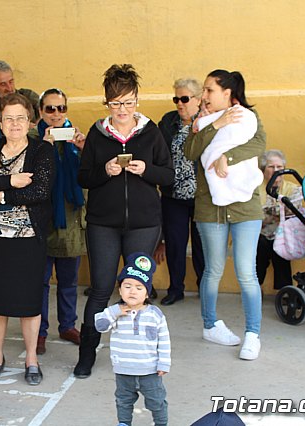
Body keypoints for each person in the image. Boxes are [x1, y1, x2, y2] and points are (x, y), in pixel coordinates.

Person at [74, 64, 174, 379]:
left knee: (136, 289)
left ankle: (138, 355)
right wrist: (105, 171)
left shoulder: (152, 131)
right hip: (103, 223)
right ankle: (87, 354)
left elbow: (168, 175)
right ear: (107, 103)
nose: (122, 109)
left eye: (128, 102)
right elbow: (83, 177)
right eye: (116, 103)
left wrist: (147, 170)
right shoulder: (97, 133)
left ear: (137, 101)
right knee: (102, 289)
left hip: (144, 224)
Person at [0, 93, 54, 386]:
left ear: (30, 121)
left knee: (29, 301)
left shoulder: (42, 150)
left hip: (28, 237)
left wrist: (0, 195)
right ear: (0, 122)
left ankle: (31, 358)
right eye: (8, 118)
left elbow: (40, 191)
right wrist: (11, 181)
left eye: (20, 118)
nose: (14, 124)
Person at [184, 69, 265, 361]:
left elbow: (258, 144)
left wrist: (226, 157)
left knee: (246, 272)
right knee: (213, 269)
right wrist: (215, 124)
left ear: (227, 93)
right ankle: (210, 325)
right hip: (210, 207)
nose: (203, 96)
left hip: (245, 207)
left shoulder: (248, 116)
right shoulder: (201, 121)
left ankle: (252, 335)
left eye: (209, 90)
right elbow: (190, 151)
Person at [35, 88, 87, 355]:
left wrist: (81, 148)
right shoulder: (33, 137)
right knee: (40, 281)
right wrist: (43, 147)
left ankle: (67, 325)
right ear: (41, 111)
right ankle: (39, 331)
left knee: (68, 279)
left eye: (61, 108)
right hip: (43, 218)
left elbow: (87, 176)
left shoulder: (75, 136)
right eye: (50, 109)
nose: (56, 114)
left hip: (70, 217)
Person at [94, 252, 169, 426]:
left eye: (139, 287)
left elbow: (164, 341)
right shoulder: (115, 311)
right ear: (120, 290)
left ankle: (161, 423)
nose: (132, 291)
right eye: (127, 286)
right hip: (123, 370)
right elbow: (100, 325)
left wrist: (163, 363)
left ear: (147, 293)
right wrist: (114, 312)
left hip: (149, 371)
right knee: (123, 401)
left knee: (156, 402)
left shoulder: (155, 315)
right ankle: (124, 423)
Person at [157, 78, 205, 306]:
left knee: (201, 245)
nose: (179, 103)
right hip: (173, 194)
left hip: (201, 195)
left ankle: (205, 289)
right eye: (176, 99)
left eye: (184, 99)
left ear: (198, 99)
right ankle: (176, 288)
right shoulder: (168, 121)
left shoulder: (208, 121)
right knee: (175, 244)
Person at [257, 150, 303, 290]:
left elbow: (294, 210)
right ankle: (255, 288)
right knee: (261, 245)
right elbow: (255, 214)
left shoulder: (293, 188)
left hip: (284, 234)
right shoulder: (254, 188)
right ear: (263, 169)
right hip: (260, 234)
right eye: (271, 167)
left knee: (281, 247)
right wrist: (280, 209)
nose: (276, 170)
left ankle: (285, 291)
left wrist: (270, 211)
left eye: (279, 167)